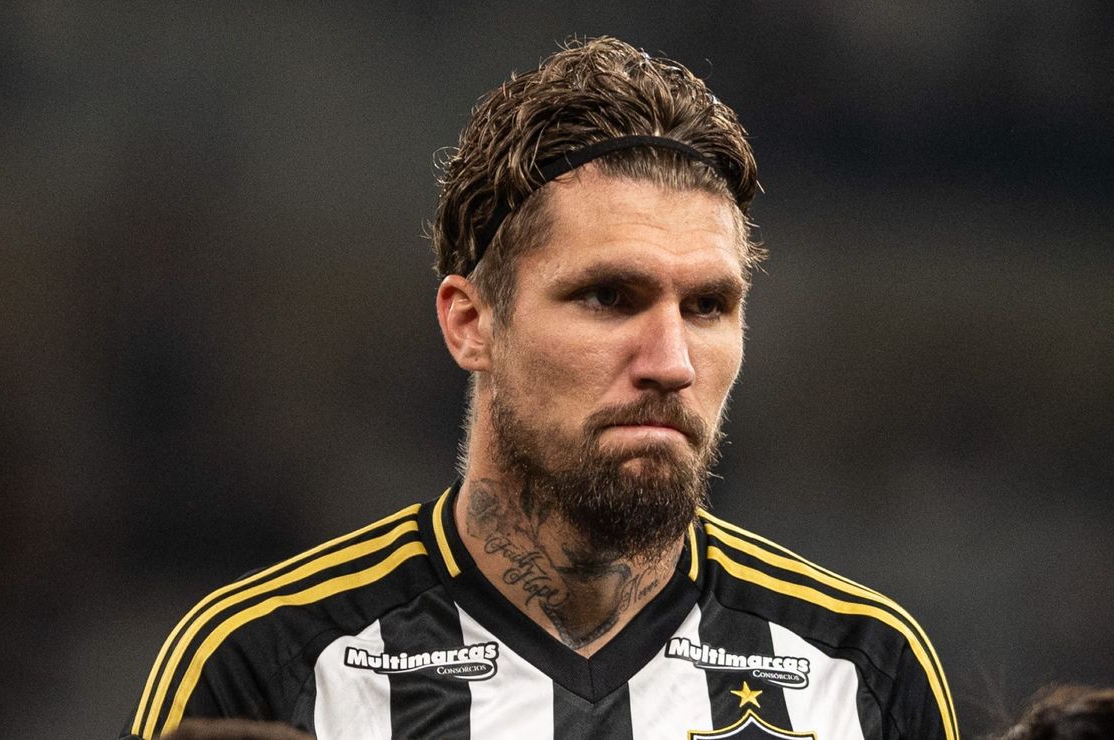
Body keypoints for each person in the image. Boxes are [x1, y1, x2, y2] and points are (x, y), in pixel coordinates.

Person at [122, 36, 957, 739]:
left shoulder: (863, 671)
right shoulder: (269, 666)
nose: (671, 360)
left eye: (708, 306)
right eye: (609, 297)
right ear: (471, 323)